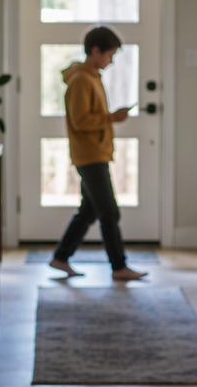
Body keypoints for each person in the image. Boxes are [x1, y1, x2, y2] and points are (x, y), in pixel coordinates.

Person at [49, 25, 148, 282]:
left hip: (95, 153)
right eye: (110, 55)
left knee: (90, 210)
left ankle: (60, 257)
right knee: (109, 212)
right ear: (95, 51)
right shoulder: (82, 79)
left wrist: (110, 118)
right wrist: (112, 118)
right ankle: (119, 266)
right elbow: (81, 121)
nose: (111, 61)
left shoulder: (91, 76)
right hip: (89, 155)